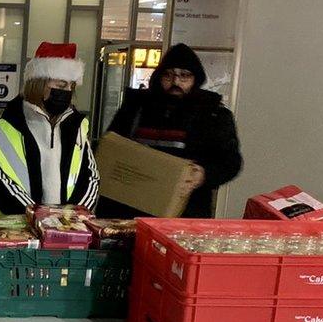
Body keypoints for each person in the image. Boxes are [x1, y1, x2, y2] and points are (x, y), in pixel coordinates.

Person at [99, 43, 242, 218]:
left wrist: (204, 174)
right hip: (126, 210)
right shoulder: (136, 107)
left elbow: (230, 161)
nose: (175, 82)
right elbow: (111, 146)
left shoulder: (213, 114)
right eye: (168, 75)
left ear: (195, 78)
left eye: (184, 76)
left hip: (184, 213)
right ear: (159, 76)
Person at [0, 42, 99, 215]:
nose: (68, 92)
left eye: (71, 86)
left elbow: (91, 176)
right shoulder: (4, 130)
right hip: (18, 232)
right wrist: (39, 215)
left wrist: (76, 213)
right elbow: (3, 183)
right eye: (61, 85)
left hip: (67, 231)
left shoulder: (77, 128)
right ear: (38, 84)